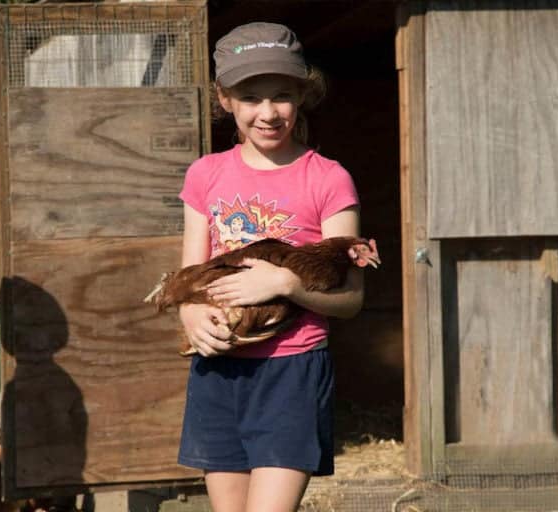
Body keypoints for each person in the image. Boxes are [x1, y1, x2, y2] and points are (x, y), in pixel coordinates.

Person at [177, 22, 365, 512]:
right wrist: (190, 315)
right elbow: (188, 278)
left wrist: (286, 283)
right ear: (225, 100)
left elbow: (351, 299)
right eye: (250, 97)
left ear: (302, 95)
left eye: (281, 95)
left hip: (291, 372)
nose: (267, 112)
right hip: (218, 369)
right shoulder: (205, 174)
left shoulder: (328, 180)